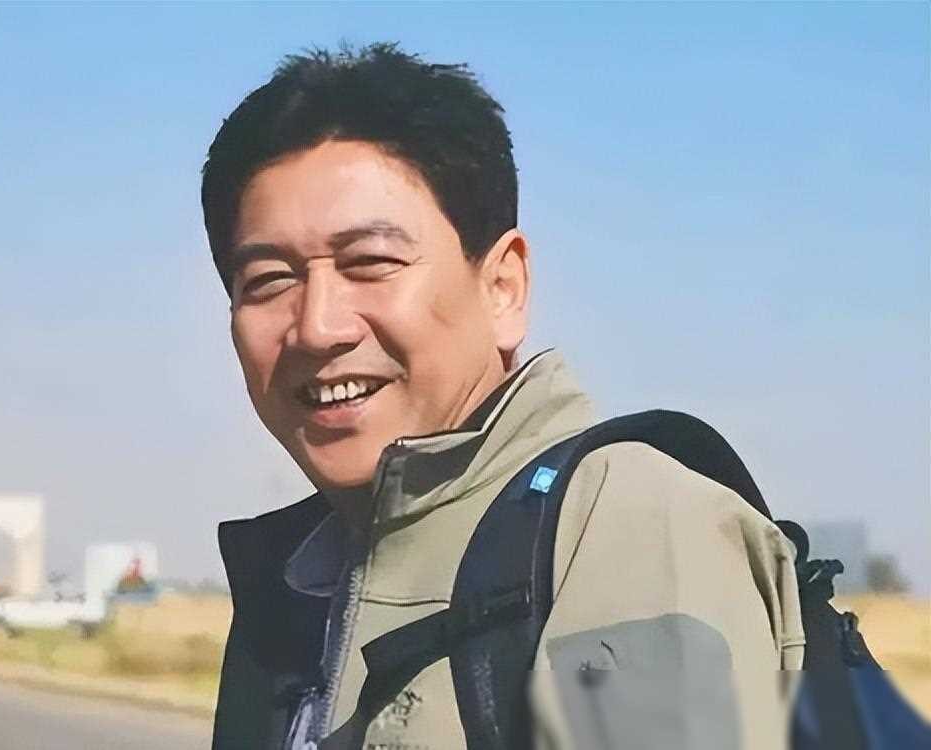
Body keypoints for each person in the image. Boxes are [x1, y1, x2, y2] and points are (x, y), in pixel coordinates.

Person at [199, 43, 804, 750]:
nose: (317, 326)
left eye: (371, 263)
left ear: (502, 287)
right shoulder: (301, 583)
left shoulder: (624, 526)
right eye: (269, 280)